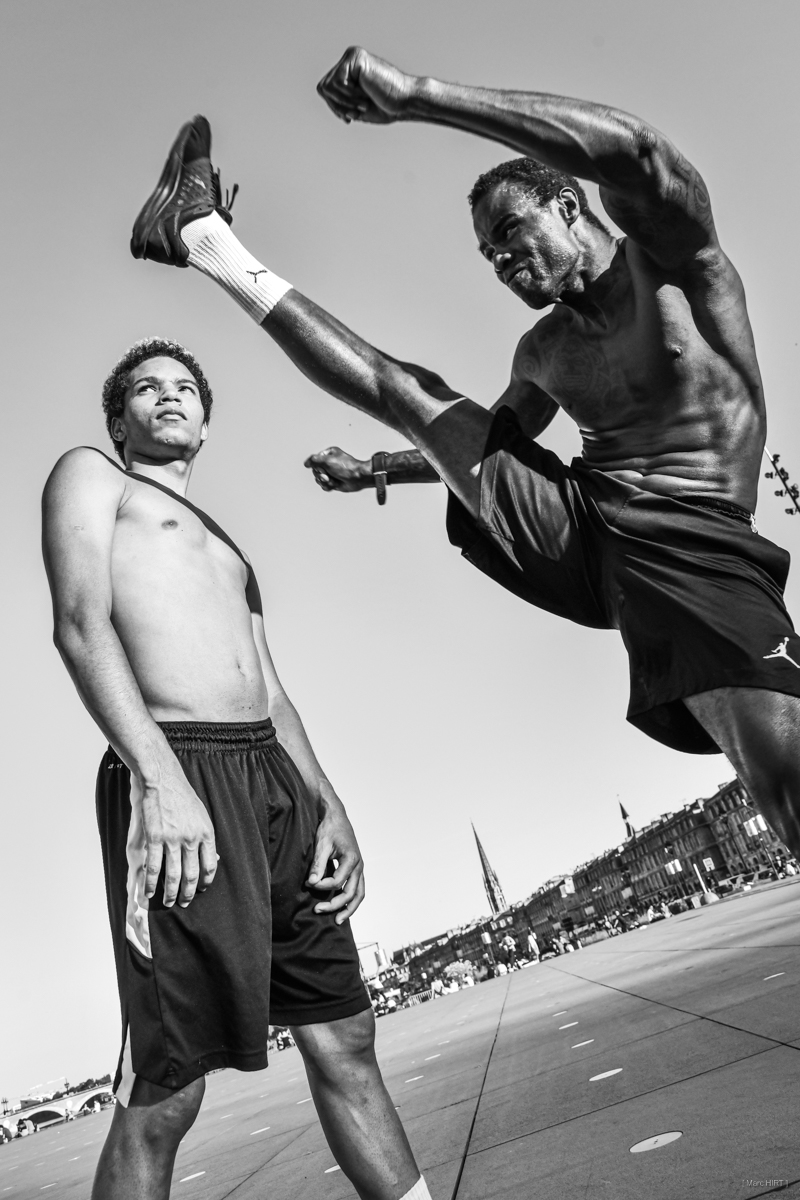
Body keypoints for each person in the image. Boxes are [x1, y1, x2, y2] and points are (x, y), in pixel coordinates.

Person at [128, 54, 800, 860]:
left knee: (785, 781)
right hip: (588, 535)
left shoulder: (676, 263)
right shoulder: (543, 351)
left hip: (701, 545)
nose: (500, 260)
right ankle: (204, 237)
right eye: (486, 253)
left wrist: (421, 99)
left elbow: (640, 154)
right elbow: (483, 454)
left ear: (567, 201)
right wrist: (379, 468)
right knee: (408, 391)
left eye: (510, 232)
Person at [42, 341, 430, 1200]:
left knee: (346, 1036)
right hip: (178, 768)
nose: (169, 397)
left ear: (207, 423)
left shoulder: (227, 546)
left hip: (272, 780)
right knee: (170, 1087)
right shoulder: (93, 477)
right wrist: (156, 778)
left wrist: (329, 805)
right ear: (119, 420)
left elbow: (274, 689)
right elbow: (79, 625)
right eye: (148, 388)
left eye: (186, 387)